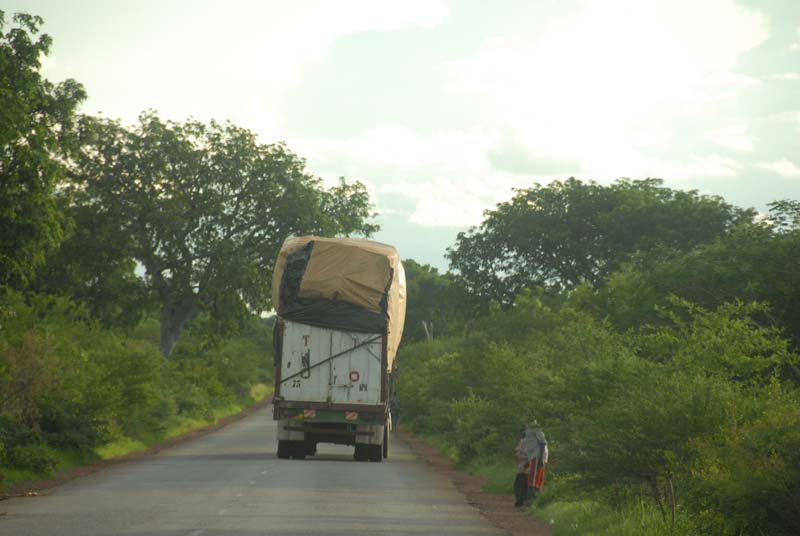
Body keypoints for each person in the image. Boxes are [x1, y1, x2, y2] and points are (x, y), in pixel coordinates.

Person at [523, 422, 548, 502]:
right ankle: (534, 502)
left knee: (534, 479)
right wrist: (528, 460)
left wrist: (540, 459)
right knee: (534, 478)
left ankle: (531, 502)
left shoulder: (535, 426)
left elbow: (543, 443)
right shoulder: (528, 427)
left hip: (538, 455)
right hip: (533, 456)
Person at [513, 427, 529, 507]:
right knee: (521, 484)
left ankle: (521, 500)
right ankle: (521, 500)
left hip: (525, 465)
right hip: (523, 465)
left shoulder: (526, 441)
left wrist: (528, 463)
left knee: (520, 484)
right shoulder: (524, 441)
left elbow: (528, 454)